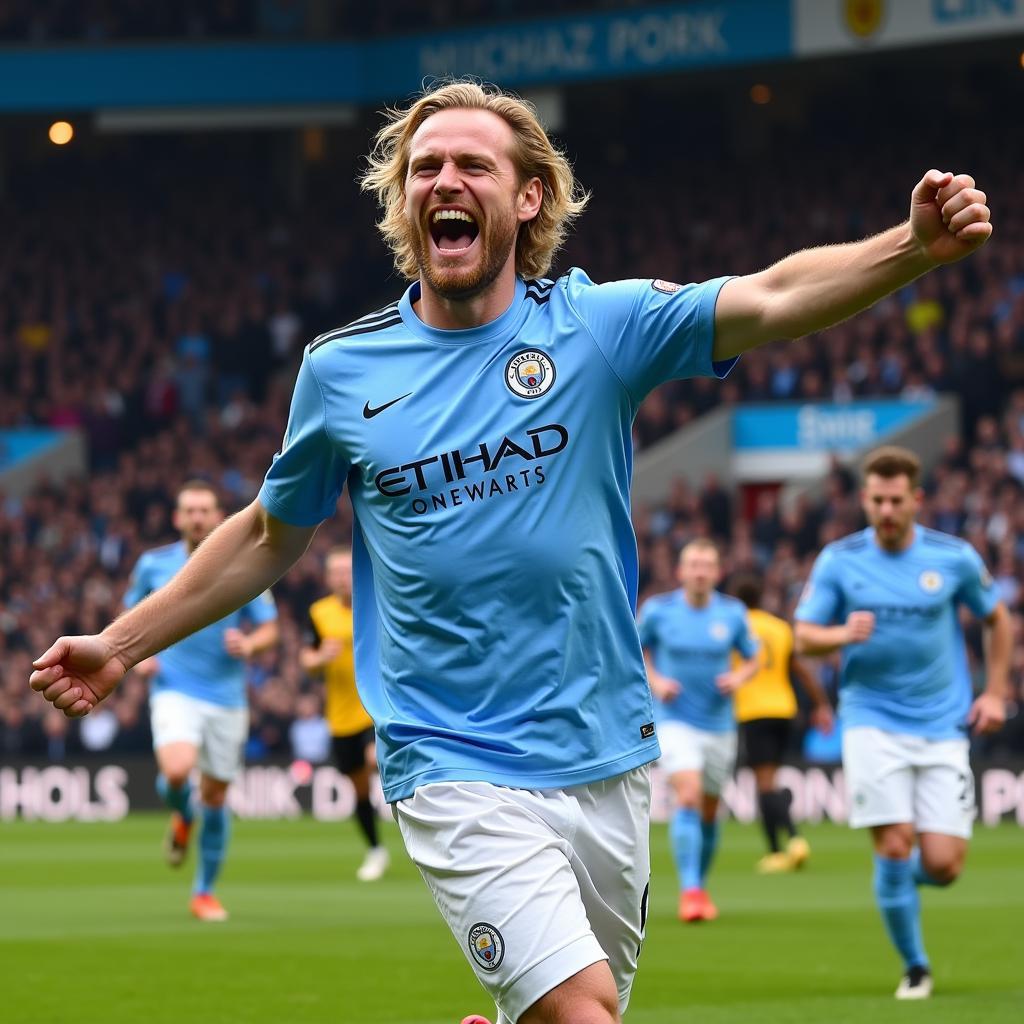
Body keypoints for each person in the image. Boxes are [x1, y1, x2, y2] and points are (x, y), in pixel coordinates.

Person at [30, 80, 994, 1024]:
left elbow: (774, 296)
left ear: (528, 198)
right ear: (404, 199)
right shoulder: (342, 371)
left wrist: (911, 248)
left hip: (604, 749)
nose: (443, 181)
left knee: (582, 1004)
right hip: (449, 757)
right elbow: (269, 532)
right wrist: (121, 644)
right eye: (424, 167)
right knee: (582, 1013)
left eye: (472, 165)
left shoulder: (596, 328)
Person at [794, 446, 1009, 1000]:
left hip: (941, 725)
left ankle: (894, 886)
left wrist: (997, 691)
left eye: (896, 500)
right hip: (870, 720)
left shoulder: (954, 557)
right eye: (877, 500)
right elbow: (803, 636)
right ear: (864, 499)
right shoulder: (839, 560)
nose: (886, 510)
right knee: (893, 843)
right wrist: (842, 634)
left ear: (915, 500)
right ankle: (916, 966)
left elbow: (997, 617)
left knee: (943, 865)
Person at [124, 480, 279, 922]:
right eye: (189, 510)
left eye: (204, 510)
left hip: (227, 699)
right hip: (174, 688)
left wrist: (250, 646)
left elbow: (270, 628)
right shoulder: (154, 565)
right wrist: (140, 659)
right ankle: (180, 815)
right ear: (177, 518)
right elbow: (128, 615)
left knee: (214, 796)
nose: (196, 517)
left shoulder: (242, 564)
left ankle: (203, 892)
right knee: (176, 770)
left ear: (217, 517)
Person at [638, 540, 759, 922]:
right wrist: (656, 681)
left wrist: (738, 676)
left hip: (719, 724)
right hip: (675, 721)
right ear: (680, 571)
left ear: (718, 572)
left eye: (707, 564)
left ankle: (699, 885)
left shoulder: (733, 613)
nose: (700, 571)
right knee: (687, 796)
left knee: (709, 810)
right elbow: (635, 649)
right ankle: (690, 891)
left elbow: (755, 657)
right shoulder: (659, 611)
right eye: (693, 564)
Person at [730, 572, 834, 873]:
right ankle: (775, 851)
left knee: (764, 784)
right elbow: (800, 670)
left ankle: (792, 840)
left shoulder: (735, 626)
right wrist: (821, 705)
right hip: (784, 710)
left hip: (754, 711)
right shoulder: (779, 628)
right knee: (769, 781)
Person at [300, 545, 389, 881]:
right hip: (340, 716)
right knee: (360, 789)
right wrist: (319, 658)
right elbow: (306, 662)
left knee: (373, 760)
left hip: (375, 708)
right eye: (334, 573)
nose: (341, 578)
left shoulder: (377, 602)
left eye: (345, 571)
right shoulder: (319, 613)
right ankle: (375, 850)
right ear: (328, 578)